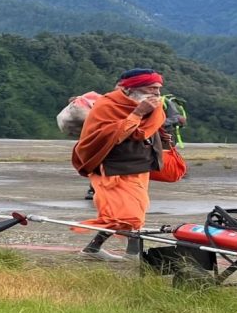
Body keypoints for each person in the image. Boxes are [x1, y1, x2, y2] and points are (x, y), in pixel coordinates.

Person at [71, 68, 167, 261]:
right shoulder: (107, 105)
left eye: (158, 88)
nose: (157, 93)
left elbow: (146, 131)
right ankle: (120, 252)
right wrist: (138, 113)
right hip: (112, 169)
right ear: (133, 89)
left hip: (139, 166)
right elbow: (113, 136)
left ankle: (105, 251)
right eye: (151, 88)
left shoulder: (151, 106)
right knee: (124, 214)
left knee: (136, 211)